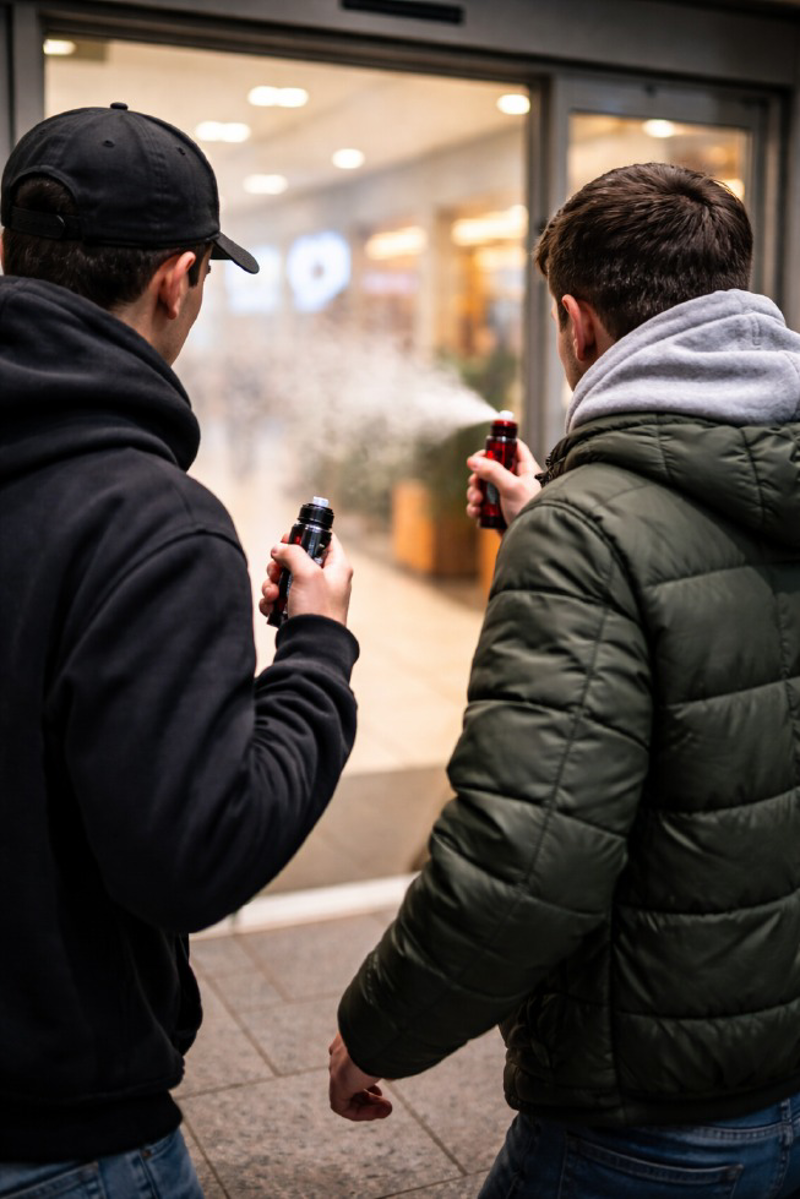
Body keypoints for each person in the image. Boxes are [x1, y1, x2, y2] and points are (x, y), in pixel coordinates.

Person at [329, 161, 800, 1198]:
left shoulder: (584, 536)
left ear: (574, 323)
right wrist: (557, 512)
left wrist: (378, 1028)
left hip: (648, 1114)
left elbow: (526, 859)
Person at [0, 103, 358, 1195]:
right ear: (180, 276)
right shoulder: (153, 522)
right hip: (62, 1132)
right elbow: (193, 854)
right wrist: (312, 652)